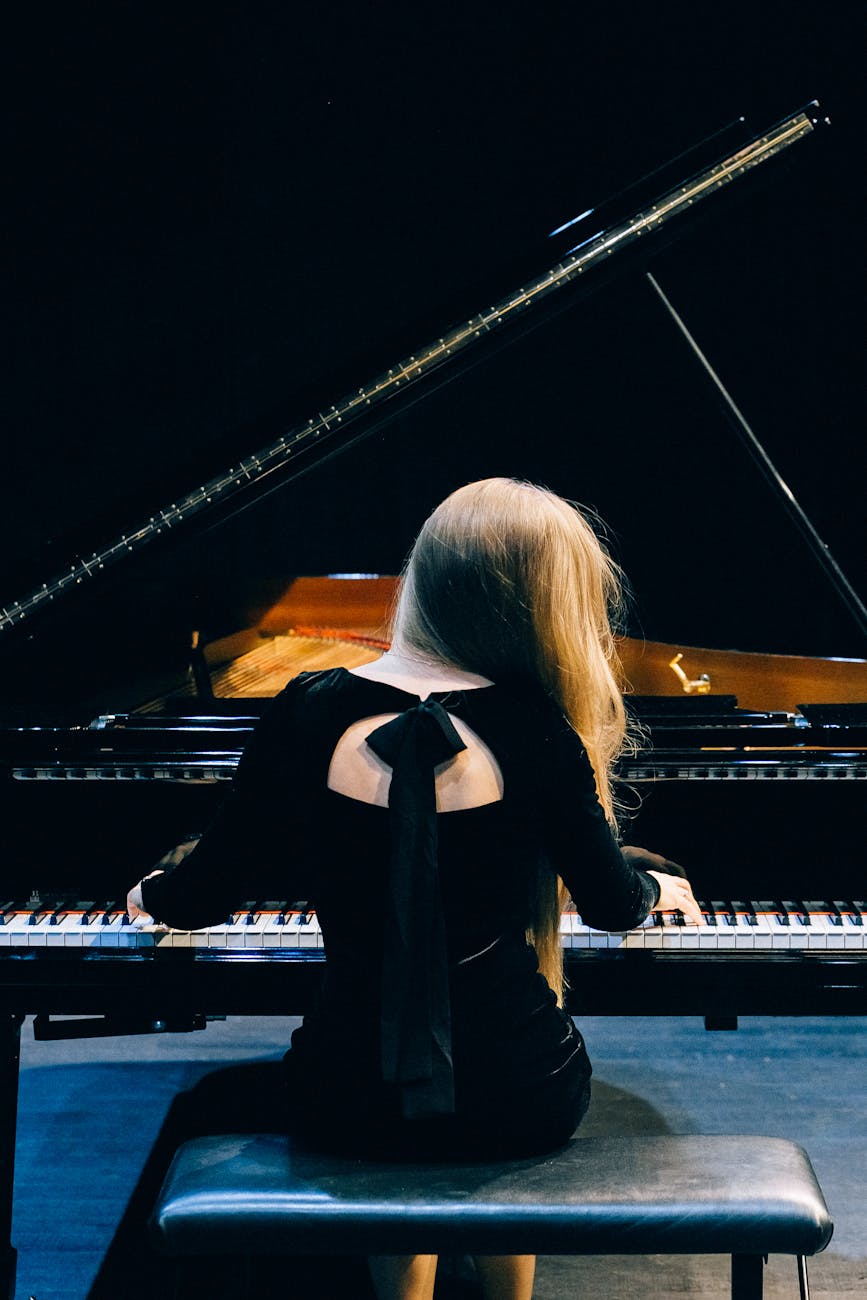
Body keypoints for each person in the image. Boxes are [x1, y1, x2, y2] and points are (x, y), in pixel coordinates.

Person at [127, 477, 701, 1300]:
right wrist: (654, 886)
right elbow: (613, 908)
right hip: (521, 1089)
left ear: (424, 575)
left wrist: (155, 891)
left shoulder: (305, 710)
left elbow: (203, 894)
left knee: (376, 1119)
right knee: (501, 1092)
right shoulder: (540, 729)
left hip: (342, 1087)